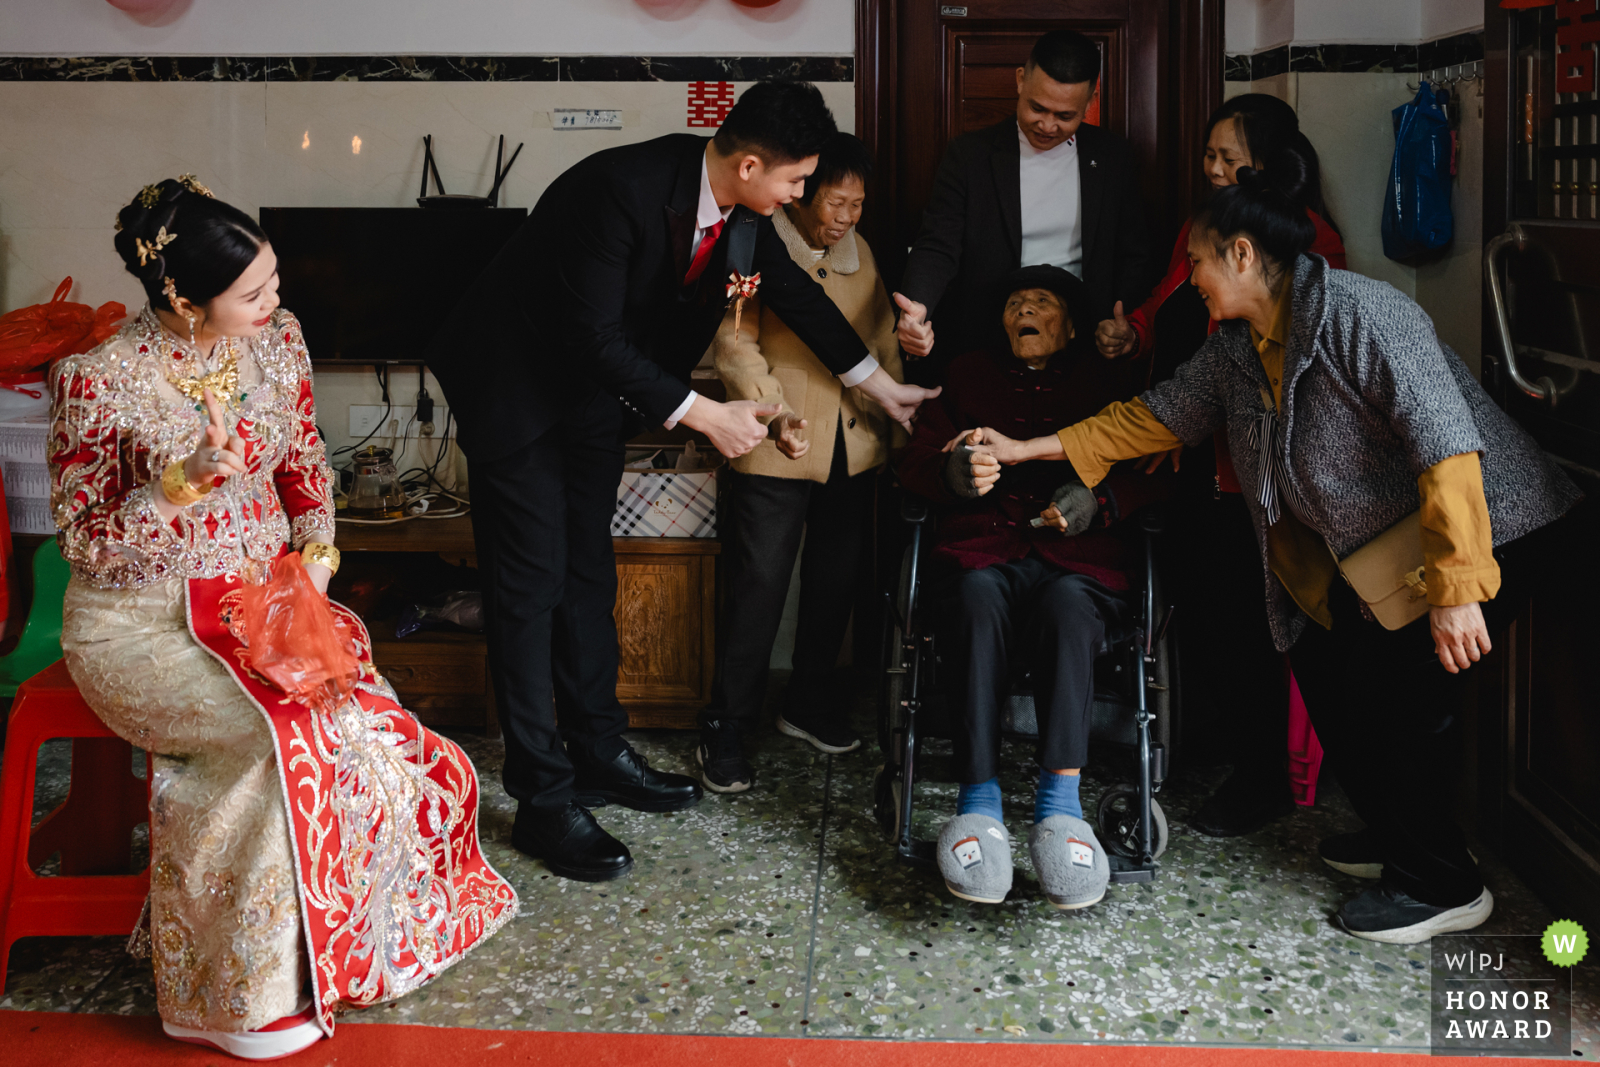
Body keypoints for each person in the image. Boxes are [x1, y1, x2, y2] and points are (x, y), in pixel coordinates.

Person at [965, 172, 1581, 943]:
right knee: (1331, 671)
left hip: (1493, 522)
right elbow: (1153, 417)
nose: (1189, 277)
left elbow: (1446, 443)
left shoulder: (1362, 312)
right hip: (1392, 548)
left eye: (1196, 261)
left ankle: (1443, 882)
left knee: (1401, 697)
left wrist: (1458, 590)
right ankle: (1404, 837)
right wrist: (1024, 448)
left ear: (1242, 254)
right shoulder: (1237, 349)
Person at [49, 177, 517, 1060]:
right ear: (184, 299)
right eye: (252, 292)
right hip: (141, 626)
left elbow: (304, 461)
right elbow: (86, 544)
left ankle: (341, 946)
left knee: (362, 722)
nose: (275, 302)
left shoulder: (280, 340)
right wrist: (180, 483)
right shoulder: (98, 378)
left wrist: (317, 563)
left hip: (265, 604)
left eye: (274, 280)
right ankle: (235, 994)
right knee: (278, 733)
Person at [424, 82, 939, 882]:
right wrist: (706, 414)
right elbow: (590, 332)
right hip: (515, 387)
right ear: (751, 165)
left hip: (591, 394)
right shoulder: (617, 190)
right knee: (529, 588)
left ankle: (597, 749)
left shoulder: (744, 215)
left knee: (588, 573)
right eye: (797, 180)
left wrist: (882, 386)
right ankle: (542, 797)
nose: (801, 195)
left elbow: (797, 297)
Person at [1094, 94, 1348, 837]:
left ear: (1266, 163)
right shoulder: (1199, 228)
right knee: (1202, 611)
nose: (1209, 168)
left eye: (1225, 156)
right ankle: (1215, 742)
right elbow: (1169, 305)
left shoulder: (1307, 242)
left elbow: (1273, 364)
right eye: (1207, 154)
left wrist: (1189, 418)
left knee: (1247, 622)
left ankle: (1263, 775)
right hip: (1185, 463)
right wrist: (1132, 334)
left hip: (1246, 472)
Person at [895, 265, 1170, 910]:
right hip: (984, 552)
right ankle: (977, 801)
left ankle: (1060, 807)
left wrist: (1099, 501)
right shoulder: (966, 374)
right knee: (973, 597)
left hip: (1079, 562)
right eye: (1016, 302)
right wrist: (952, 473)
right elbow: (915, 459)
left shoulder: (1106, 380)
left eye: (1042, 302)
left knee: (1070, 606)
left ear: (1071, 327)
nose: (1025, 310)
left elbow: (1151, 467)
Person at [698, 134, 907, 791]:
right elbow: (736, 343)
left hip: (852, 444)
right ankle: (726, 725)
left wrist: (898, 431)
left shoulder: (861, 254)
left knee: (835, 583)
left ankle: (809, 702)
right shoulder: (758, 246)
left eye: (857, 205)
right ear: (800, 195)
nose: (846, 217)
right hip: (776, 442)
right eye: (835, 202)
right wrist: (768, 411)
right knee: (758, 588)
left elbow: (881, 343)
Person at [894, 30, 1155, 383]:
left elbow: (1134, 253)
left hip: (1085, 342)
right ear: (1020, 80)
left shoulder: (1113, 157)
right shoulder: (969, 156)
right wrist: (917, 307)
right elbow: (938, 245)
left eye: (1065, 116)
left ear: (1091, 100)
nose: (1047, 126)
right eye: (1037, 108)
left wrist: (1125, 324)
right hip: (989, 338)